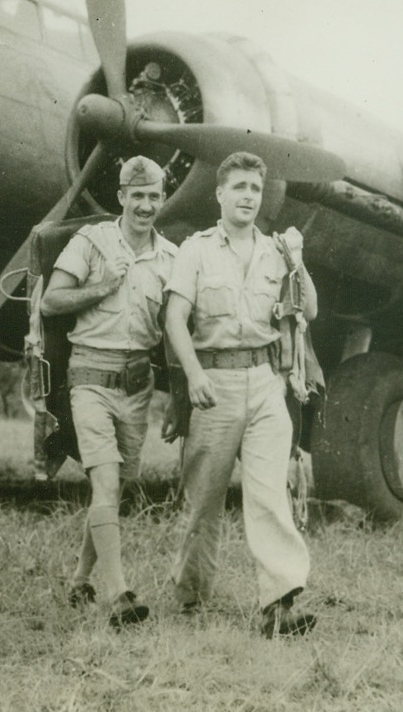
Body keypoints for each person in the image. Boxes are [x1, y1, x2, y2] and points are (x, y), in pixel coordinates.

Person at [164, 151, 317, 637]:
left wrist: (298, 260)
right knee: (203, 502)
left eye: (255, 188)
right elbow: (173, 319)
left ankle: (280, 603)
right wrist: (192, 377)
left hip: (267, 384)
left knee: (269, 494)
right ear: (220, 194)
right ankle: (190, 594)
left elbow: (308, 308)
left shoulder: (278, 251)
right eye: (239, 188)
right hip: (214, 385)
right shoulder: (196, 249)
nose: (248, 196)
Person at [40, 155, 177, 628]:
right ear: (120, 196)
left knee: (117, 489)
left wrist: (179, 395)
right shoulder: (91, 241)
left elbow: (175, 332)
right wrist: (100, 287)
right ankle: (118, 592)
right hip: (90, 377)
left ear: (162, 199)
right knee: (106, 480)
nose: (145, 205)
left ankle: (80, 579)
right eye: (136, 196)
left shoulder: (172, 258)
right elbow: (52, 300)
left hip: (138, 385)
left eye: (153, 196)